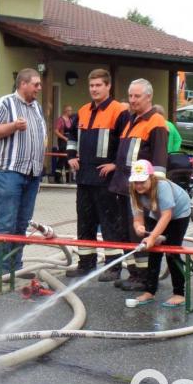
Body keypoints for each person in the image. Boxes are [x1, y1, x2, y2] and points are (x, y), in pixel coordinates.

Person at [65, 69, 132, 281]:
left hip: (107, 179)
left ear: (108, 86)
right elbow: (71, 137)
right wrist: (70, 156)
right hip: (84, 177)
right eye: (91, 85)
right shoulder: (83, 111)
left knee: (110, 221)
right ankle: (85, 263)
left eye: (98, 85)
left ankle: (113, 267)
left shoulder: (119, 111)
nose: (94, 89)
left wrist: (115, 164)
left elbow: (127, 142)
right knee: (85, 221)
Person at [0, 68, 47, 278]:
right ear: (23, 84)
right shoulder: (5, 103)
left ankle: (15, 266)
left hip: (31, 173)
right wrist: (13, 126)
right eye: (36, 84)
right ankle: (0, 271)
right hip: (7, 172)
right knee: (6, 222)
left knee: (22, 222)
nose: (39, 88)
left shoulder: (36, 107)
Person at [109, 78, 169, 291]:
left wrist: (154, 194)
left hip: (142, 192)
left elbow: (160, 163)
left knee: (139, 232)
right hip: (125, 189)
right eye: (130, 96)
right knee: (126, 233)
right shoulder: (132, 120)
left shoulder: (156, 122)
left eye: (137, 96)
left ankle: (144, 277)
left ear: (149, 97)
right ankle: (134, 273)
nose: (132, 100)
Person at [127, 159, 191, 308]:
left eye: (142, 181)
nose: (138, 185)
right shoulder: (134, 192)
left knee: (171, 252)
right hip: (157, 214)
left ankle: (179, 294)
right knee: (153, 252)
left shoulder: (162, 186)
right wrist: (139, 227)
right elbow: (137, 218)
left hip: (179, 213)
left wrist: (153, 236)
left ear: (151, 178)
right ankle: (150, 291)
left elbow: (167, 215)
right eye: (135, 182)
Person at [52, 104, 76, 183]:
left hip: (70, 142)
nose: (71, 112)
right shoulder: (60, 120)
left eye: (71, 110)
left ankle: (69, 178)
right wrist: (64, 138)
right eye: (69, 110)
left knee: (68, 159)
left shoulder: (71, 120)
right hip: (63, 142)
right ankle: (57, 178)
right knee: (62, 159)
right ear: (66, 111)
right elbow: (56, 131)